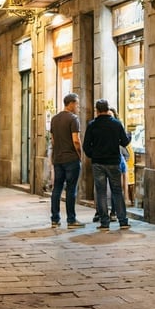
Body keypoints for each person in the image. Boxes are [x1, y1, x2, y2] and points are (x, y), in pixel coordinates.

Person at [83, 99, 131, 230]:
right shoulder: (116, 124)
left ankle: (104, 222)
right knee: (117, 191)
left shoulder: (92, 125)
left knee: (101, 192)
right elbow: (125, 142)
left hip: (98, 163)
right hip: (113, 162)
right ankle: (123, 221)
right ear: (108, 109)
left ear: (97, 110)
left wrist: (93, 155)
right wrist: (129, 136)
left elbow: (86, 146)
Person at [49, 93, 84, 228]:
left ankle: (55, 219)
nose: (78, 107)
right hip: (71, 159)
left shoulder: (55, 119)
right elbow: (76, 140)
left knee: (57, 188)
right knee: (71, 189)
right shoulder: (73, 119)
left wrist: (56, 153)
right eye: (77, 104)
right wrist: (79, 154)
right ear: (71, 104)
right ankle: (71, 220)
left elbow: (53, 140)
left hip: (58, 158)